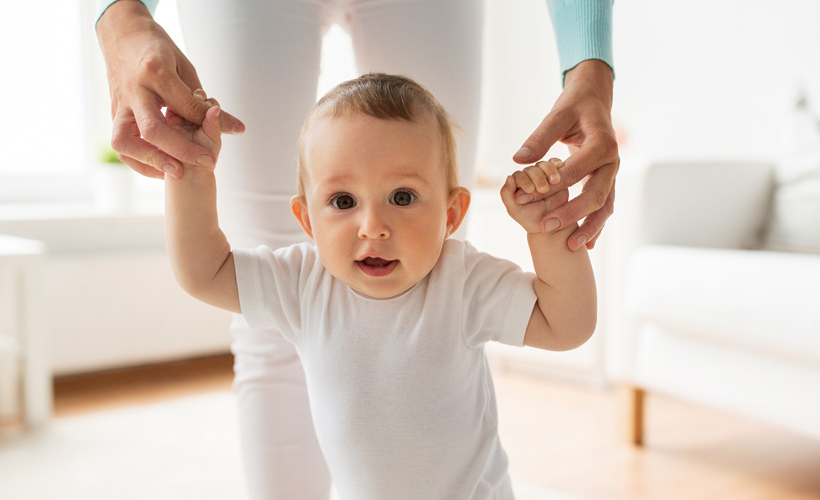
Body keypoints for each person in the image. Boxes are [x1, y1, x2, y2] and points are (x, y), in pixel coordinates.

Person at [96, 1, 616, 498]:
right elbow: (202, 271)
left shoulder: (463, 281)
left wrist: (548, 233)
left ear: (452, 215)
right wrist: (189, 172)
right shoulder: (302, 282)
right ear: (306, 220)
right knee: (264, 355)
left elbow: (568, 325)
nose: (374, 226)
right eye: (343, 201)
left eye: (404, 197)